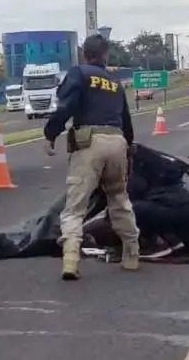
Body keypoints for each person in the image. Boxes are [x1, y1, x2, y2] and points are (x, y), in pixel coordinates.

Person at [44, 34, 139, 280]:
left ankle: (71, 260)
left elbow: (66, 106)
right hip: (117, 142)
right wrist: (129, 149)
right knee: (119, 199)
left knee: (75, 207)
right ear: (106, 55)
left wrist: (50, 133)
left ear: (85, 54)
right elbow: (126, 121)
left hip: (89, 143)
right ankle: (132, 254)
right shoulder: (115, 82)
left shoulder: (79, 74)